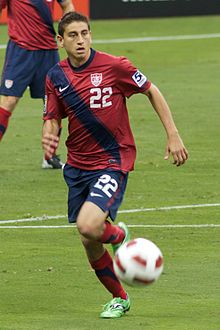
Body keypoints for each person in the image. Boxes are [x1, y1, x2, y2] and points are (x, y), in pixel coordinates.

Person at [42, 11, 188, 318]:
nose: (80, 40)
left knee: (88, 225)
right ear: (60, 40)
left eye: (84, 33)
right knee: (88, 239)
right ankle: (120, 298)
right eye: (72, 35)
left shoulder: (115, 66)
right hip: (77, 166)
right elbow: (52, 117)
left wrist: (172, 134)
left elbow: (151, 90)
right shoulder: (56, 76)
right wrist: (48, 136)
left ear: (91, 35)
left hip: (113, 159)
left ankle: (122, 238)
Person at [0, 0, 74, 169]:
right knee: (9, 101)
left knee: (53, 104)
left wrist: (68, 32)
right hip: (20, 50)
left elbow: (67, 4)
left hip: (48, 52)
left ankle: (50, 157)